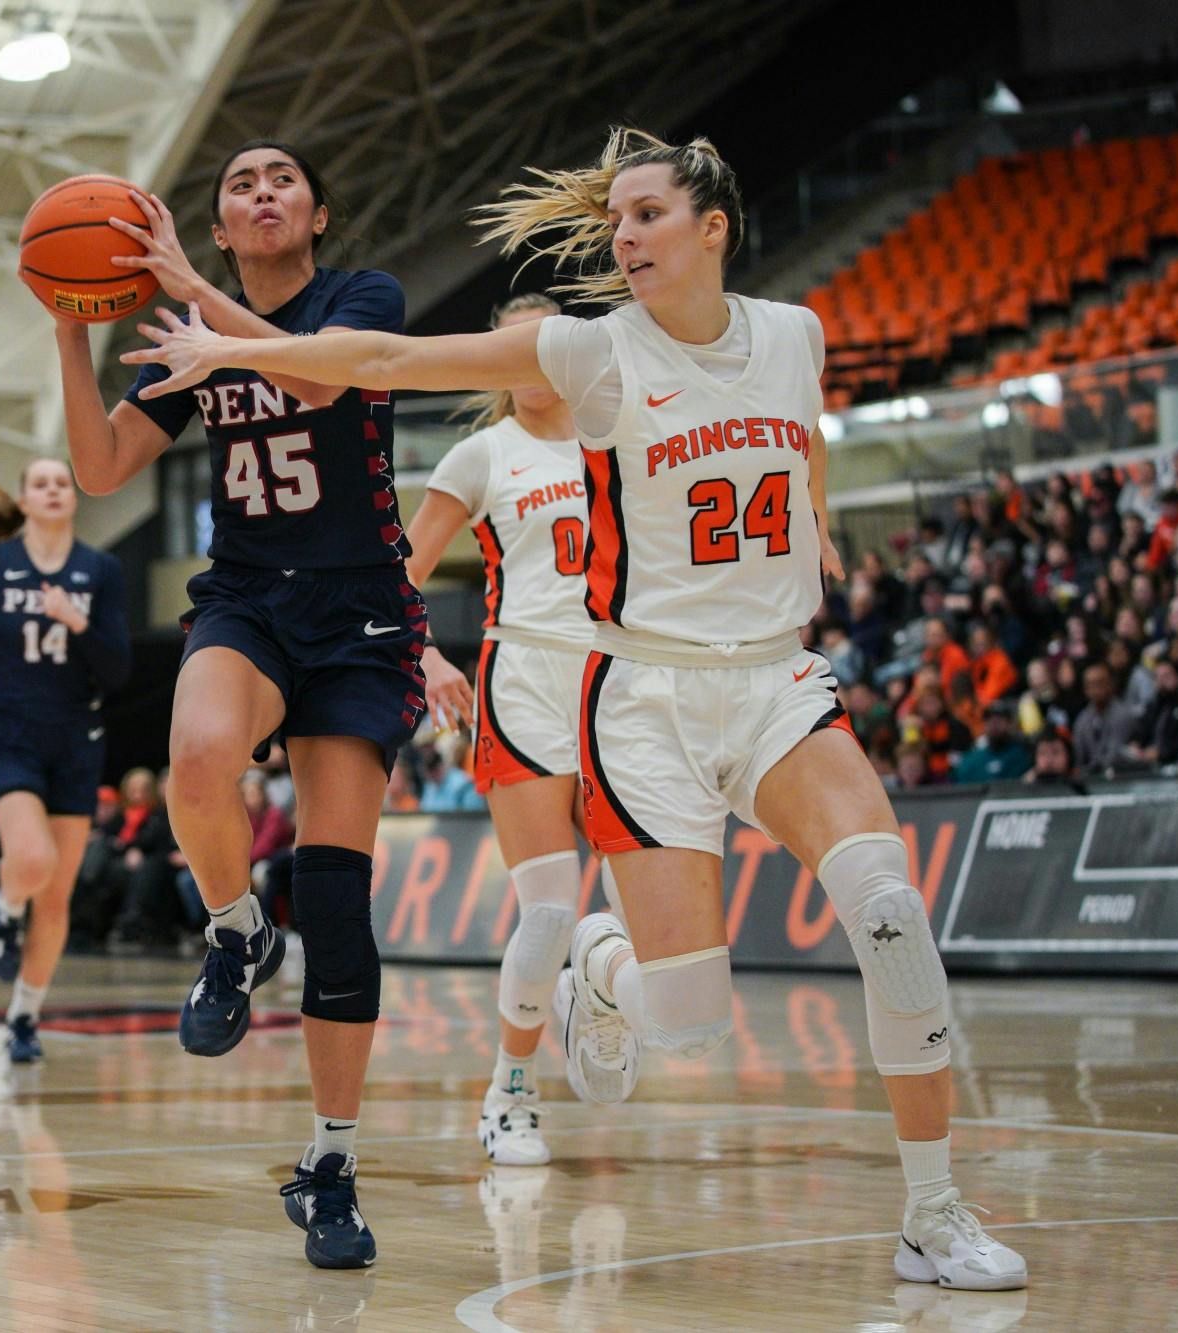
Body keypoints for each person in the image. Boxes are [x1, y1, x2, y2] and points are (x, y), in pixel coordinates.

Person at [124, 126, 1027, 1291]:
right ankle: (597, 969)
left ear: (712, 228)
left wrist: (814, 550)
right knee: (689, 1022)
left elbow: (799, 452)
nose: (623, 235)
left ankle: (930, 1212)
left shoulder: (794, 334)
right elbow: (385, 358)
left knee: (889, 908)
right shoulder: (589, 349)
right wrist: (206, 315)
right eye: (617, 219)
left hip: (772, 681)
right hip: (640, 694)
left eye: (646, 215)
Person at [58, 139, 420, 1268]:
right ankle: (234, 929)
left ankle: (330, 1164)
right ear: (217, 225)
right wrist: (65, 324)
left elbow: (316, 377)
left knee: (339, 901)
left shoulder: (363, 298)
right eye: (238, 186)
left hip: (361, 612)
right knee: (200, 758)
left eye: (280, 180)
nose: (260, 193)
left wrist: (193, 299)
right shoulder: (189, 335)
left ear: (314, 213)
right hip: (252, 598)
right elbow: (104, 465)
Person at [402, 291, 599, 1168]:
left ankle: (594, 995)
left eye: (539, 339)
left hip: (625, 679)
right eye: (505, 341)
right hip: (522, 680)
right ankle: (509, 1090)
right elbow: (398, 569)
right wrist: (427, 656)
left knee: (636, 917)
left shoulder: (620, 436)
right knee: (550, 909)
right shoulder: (482, 454)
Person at [0, 458, 129, 1063]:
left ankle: (24, 1014)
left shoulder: (100, 571)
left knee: (58, 897)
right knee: (30, 859)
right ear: (24, 500)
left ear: (73, 499)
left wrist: (78, 622)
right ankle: (3, 909)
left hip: (78, 734)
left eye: (61, 483)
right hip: (11, 727)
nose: (52, 490)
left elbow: (119, 670)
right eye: (40, 483)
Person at [951, 701, 1031, 784]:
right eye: (989, 719)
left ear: (1010, 724)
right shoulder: (970, 760)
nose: (994, 724)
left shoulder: (1021, 756)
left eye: (999, 719)